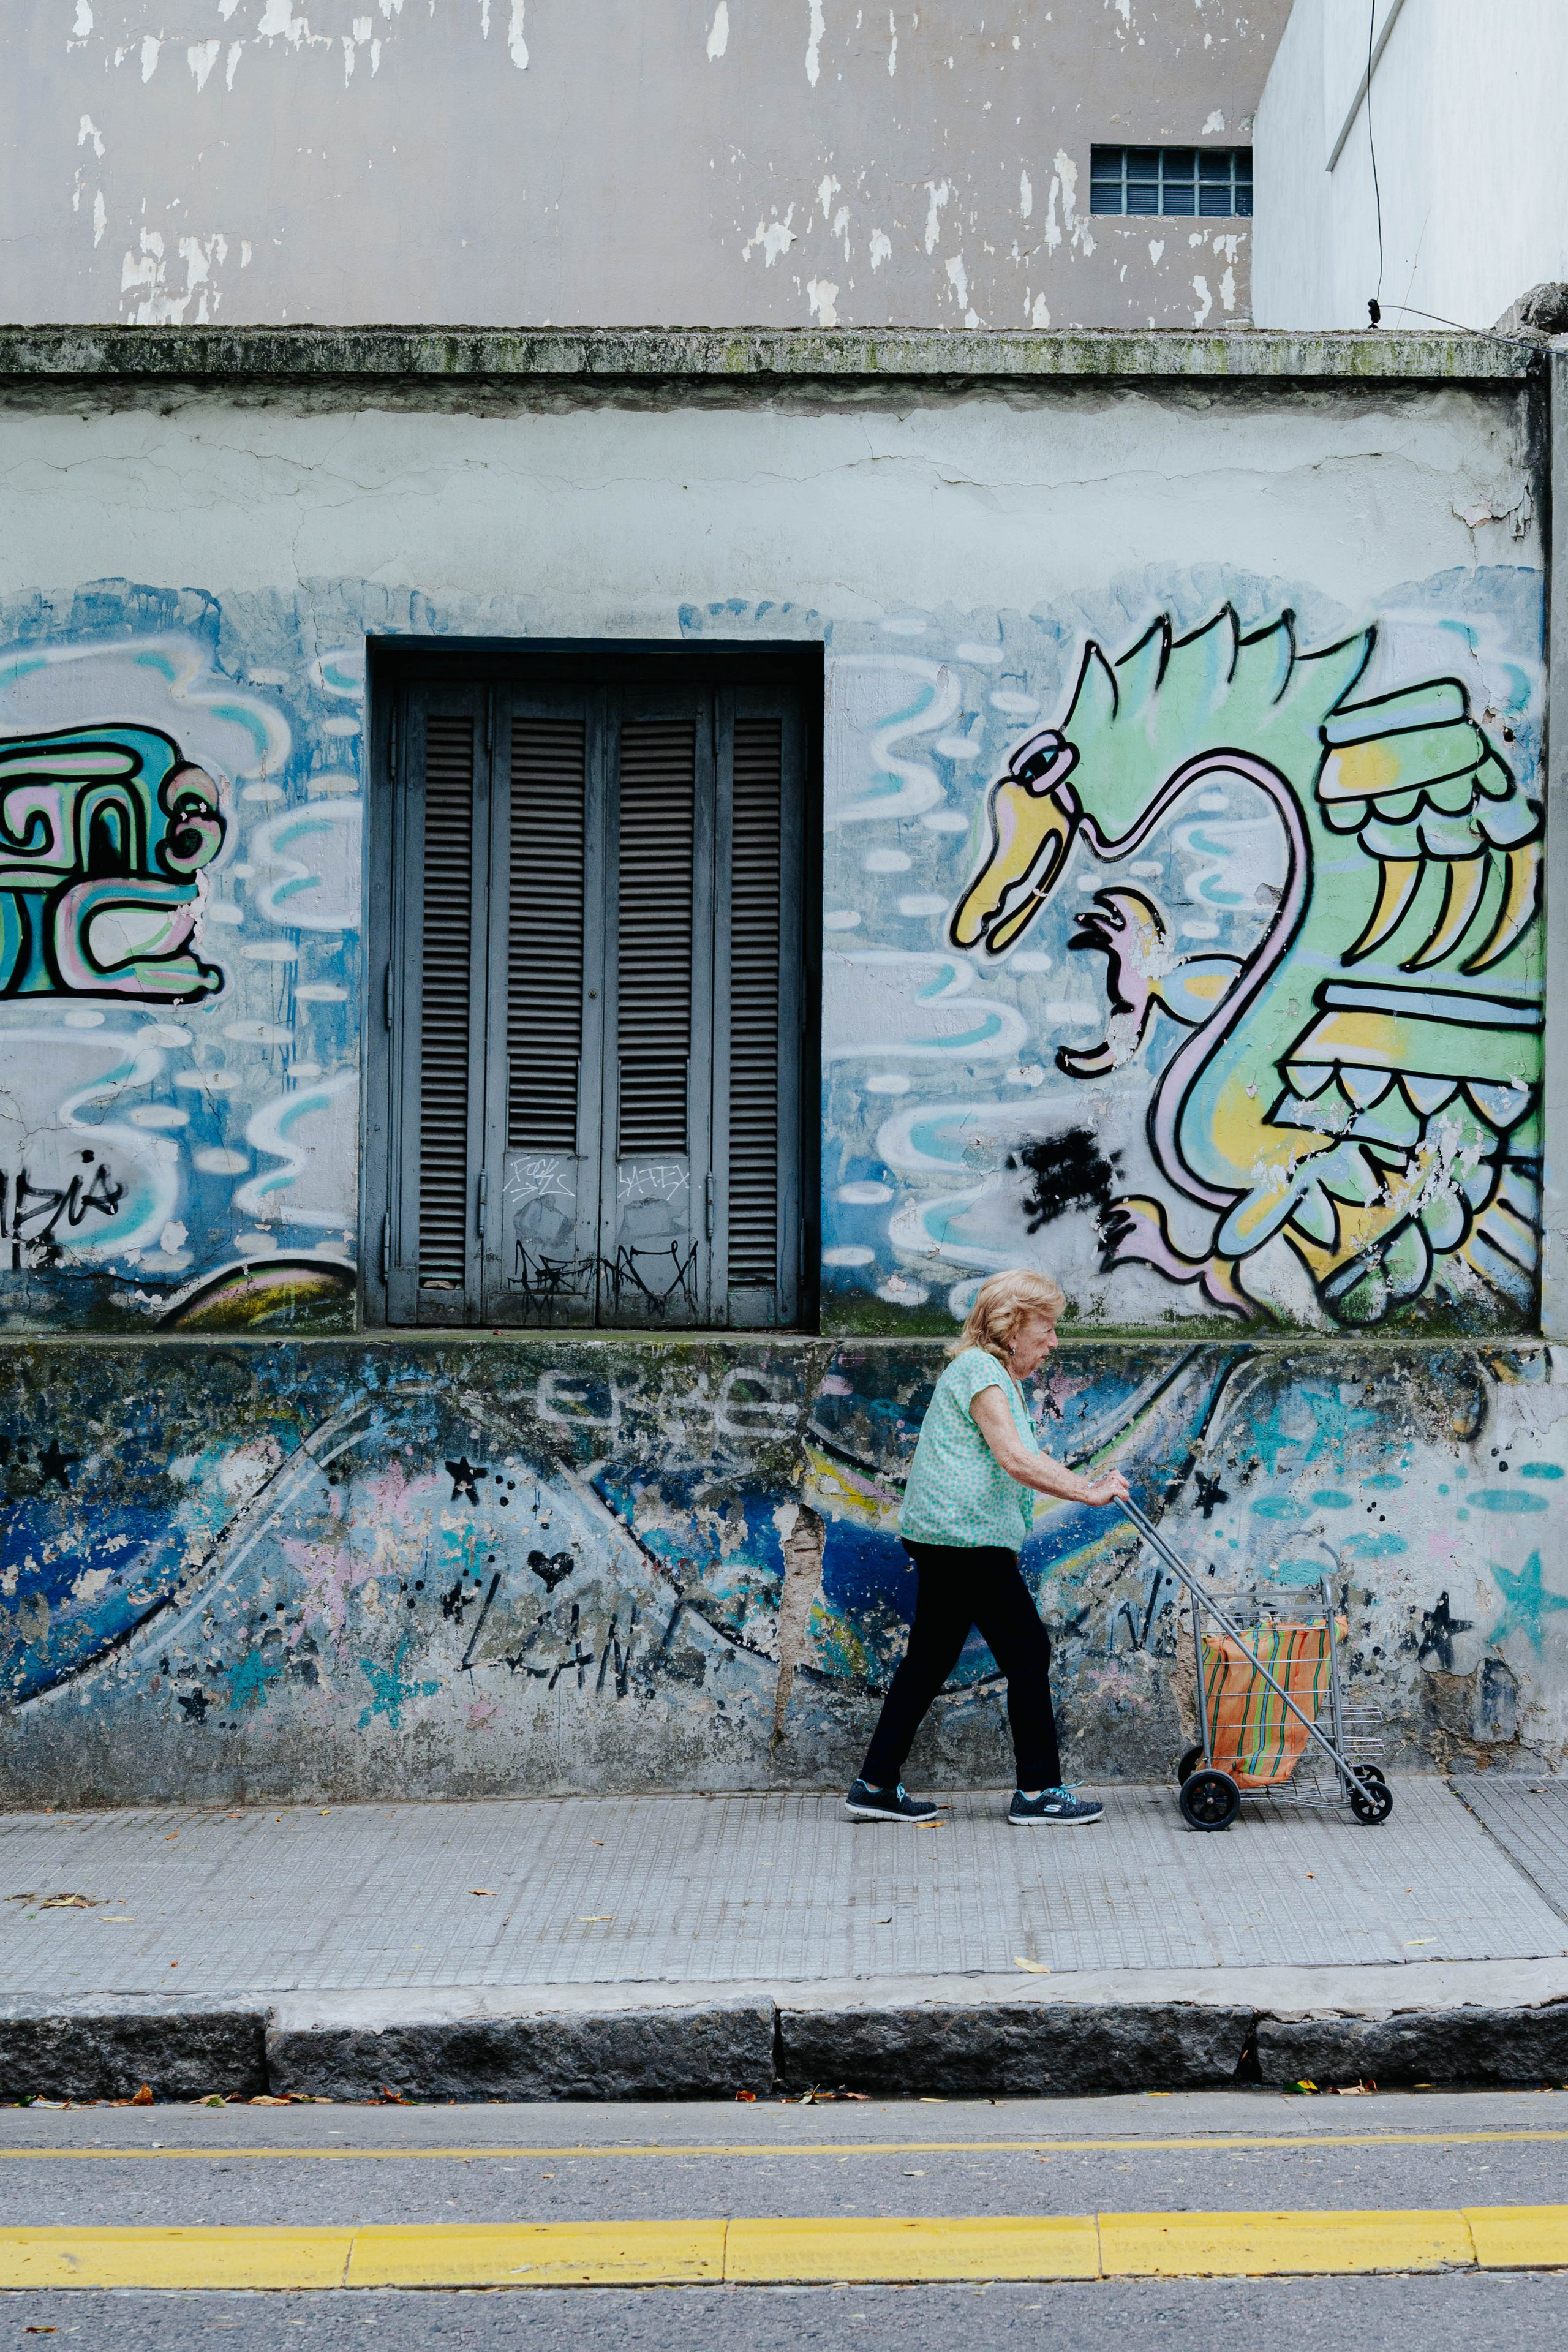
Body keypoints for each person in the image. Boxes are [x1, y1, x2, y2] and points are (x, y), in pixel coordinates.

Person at [845, 1267, 1130, 1828]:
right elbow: (1016, 1459)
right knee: (1027, 1652)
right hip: (966, 1540)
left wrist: (1083, 1481)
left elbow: (1020, 1456)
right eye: (1046, 1328)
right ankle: (1038, 1791)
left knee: (928, 1661)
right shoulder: (980, 1371)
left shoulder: (991, 1374)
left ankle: (875, 1783)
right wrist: (1089, 1494)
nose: (1053, 1341)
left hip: (952, 1536)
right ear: (1012, 1324)